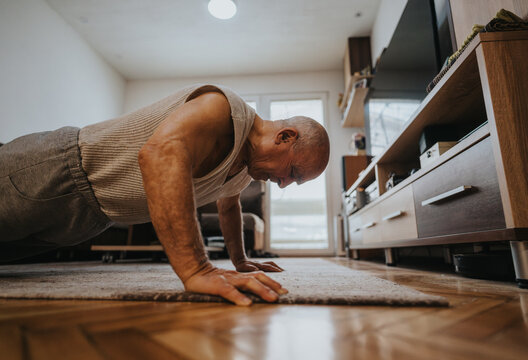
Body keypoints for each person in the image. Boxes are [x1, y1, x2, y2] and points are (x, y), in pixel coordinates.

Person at [0, 84, 330, 305]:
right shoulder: (222, 109)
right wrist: (196, 269)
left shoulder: (244, 169)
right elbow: (158, 154)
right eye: (294, 174)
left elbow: (228, 208)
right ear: (285, 137)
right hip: (58, 172)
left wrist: (240, 261)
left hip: (90, 218)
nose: (285, 184)